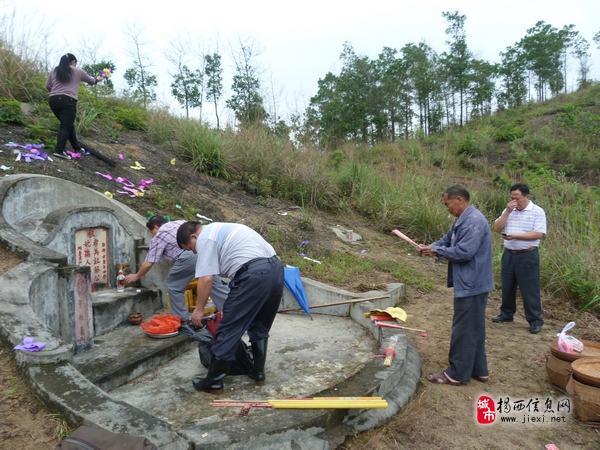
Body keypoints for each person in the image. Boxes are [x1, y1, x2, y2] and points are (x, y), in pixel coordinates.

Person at [177, 221, 284, 395]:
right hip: (276, 269)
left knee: (228, 329)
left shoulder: (205, 238)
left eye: (190, 248)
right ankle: (258, 372)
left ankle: (214, 381)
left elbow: (206, 279)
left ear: (193, 236)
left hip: (253, 274)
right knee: (260, 324)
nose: (194, 252)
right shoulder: (221, 228)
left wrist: (198, 309)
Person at [418, 185, 494, 385]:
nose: (447, 208)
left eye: (447, 204)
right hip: (471, 282)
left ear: (459, 199)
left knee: (464, 329)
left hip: (473, 283)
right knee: (474, 327)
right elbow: (446, 240)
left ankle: (457, 374)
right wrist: (431, 247)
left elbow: (464, 252)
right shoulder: (462, 220)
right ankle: (479, 370)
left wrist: (438, 252)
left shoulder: (474, 221)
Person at [124, 216, 229, 322]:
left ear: (156, 227)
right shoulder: (181, 223)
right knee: (213, 284)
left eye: (152, 232)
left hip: (187, 256)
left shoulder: (160, 234)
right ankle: (231, 311)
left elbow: (149, 262)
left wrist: (137, 276)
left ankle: (181, 318)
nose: (153, 235)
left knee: (173, 285)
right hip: (203, 251)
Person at [492, 183, 547, 334]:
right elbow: (497, 228)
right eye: (512, 198)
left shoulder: (537, 211)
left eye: (517, 198)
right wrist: (507, 212)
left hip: (527, 254)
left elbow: (539, 234)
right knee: (507, 285)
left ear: (527, 197)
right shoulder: (509, 210)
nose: (514, 201)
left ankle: (535, 320)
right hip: (509, 253)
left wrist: (516, 235)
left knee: (529, 288)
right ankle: (506, 314)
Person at [46, 53, 102, 160]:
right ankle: (59, 150)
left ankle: (77, 148)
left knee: (68, 124)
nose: (75, 65)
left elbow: (48, 86)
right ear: (73, 62)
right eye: (75, 62)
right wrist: (98, 79)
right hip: (68, 100)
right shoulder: (77, 71)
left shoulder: (54, 70)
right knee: (65, 126)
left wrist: (56, 93)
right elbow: (91, 81)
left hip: (53, 100)